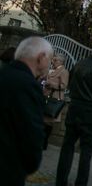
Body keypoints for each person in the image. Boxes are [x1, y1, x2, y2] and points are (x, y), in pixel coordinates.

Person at [0, 37, 53, 186]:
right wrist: (30, 164)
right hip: (8, 169)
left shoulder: (4, 74)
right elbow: (31, 133)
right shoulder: (28, 86)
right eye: (49, 58)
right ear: (41, 58)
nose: (49, 63)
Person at [56, 44, 92, 186]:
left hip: (74, 107)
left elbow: (70, 84)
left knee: (67, 146)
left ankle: (60, 181)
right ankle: (80, 183)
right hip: (91, 112)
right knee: (86, 151)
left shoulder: (79, 65)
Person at [43, 54, 70, 150]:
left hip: (54, 98)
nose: (52, 62)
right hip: (46, 96)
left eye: (55, 60)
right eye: (53, 60)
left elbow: (63, 85)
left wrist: (51, 84)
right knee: (43, 120)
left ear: (60, 62)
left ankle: (44, 142)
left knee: (49, 121)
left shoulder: (64, 71)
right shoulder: (51, 70)